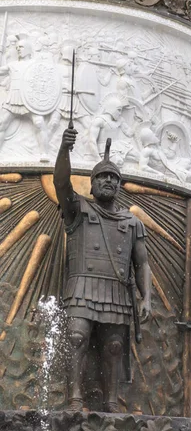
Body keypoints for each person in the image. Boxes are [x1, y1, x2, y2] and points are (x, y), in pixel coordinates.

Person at [53, 127, 152, 412]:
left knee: (114, 348)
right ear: (92, 185)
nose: (108, 180)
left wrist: (147, 298)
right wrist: (64, 149)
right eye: (102, 177)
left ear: (119, 186)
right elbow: (61, 182)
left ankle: (110, 402)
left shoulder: (133, 223)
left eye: (114, 178)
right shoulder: (78, 210)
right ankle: (74, 397)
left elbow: (142, 263)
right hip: (82, 286)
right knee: (76, 337)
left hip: (116, 290)